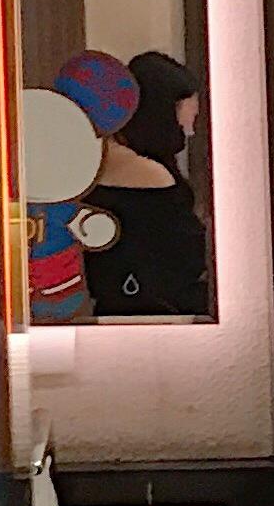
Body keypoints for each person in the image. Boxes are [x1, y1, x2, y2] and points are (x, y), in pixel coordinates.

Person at [83, 50, 212, 319]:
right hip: (154, 310)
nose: (190, 131)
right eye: (187, 118)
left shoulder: (100, 160)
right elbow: (188, 256)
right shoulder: (149, 175)